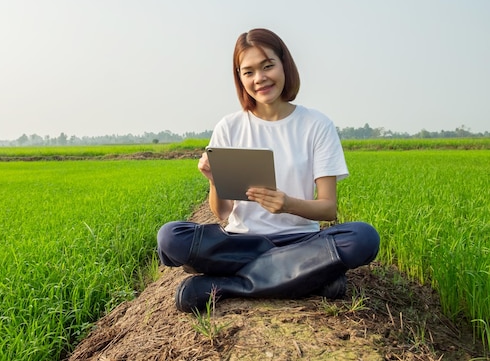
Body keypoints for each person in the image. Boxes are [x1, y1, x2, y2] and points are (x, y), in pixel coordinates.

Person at [157, 28, 380, 314]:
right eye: (247, 72)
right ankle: (306, 278)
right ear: (239, 77)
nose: (259, 78)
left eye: (267, 66)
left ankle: (228, 285)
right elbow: (223, 213)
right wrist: (214, 180)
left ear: (284, 64)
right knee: (170, 237)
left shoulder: (316, 125)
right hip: (242, 243)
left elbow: (328, 208)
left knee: (363, 238)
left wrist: (288, 204)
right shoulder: (230, 126)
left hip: (300, 241)